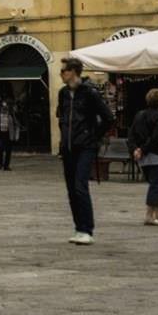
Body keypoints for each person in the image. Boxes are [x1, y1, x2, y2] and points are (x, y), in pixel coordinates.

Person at [56, 58, 110, 245]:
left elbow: (108, 118)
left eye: (63, 70)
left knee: (80, 186)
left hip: (85, 146)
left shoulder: (89, 93)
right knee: (71, 189)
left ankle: (87, 229)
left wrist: (93, 137)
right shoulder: (63, 94)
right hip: (68, 147)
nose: (61, 74)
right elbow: (61, 118)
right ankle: (78, 228)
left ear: (73, 72)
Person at [128, 88, 158, 227]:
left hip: (142, 157)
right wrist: (142, 149)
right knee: (156, 185)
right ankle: (149, 215)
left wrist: (135, 149)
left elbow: (131, 134)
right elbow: (156, 136)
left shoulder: (139, 115)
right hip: (156, 154)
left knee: (155, 184)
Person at [0, 101, 16, 171]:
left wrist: (14, 135)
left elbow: (14, 123)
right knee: (0, 150)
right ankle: (0, 164)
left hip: (8, 134)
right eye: (3, 107)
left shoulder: (11, 114)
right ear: (0, 108)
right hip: (0, 134)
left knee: (8, 151)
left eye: (5, 107)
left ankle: (6, 165)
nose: (4, 108)